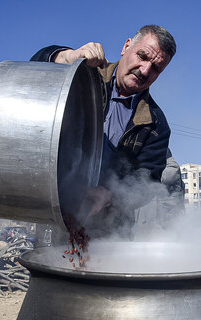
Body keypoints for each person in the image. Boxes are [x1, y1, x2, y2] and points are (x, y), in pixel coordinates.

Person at [31, 25, 176, 239]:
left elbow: (148, 180)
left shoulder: (156, 124)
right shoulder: (86, 77)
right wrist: (68, 57)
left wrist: (109, 195)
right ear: (127, 46)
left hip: (111, 228)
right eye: (142, 56)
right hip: (57, 212)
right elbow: (34, 68)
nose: (144, 70)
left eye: (156, 68)